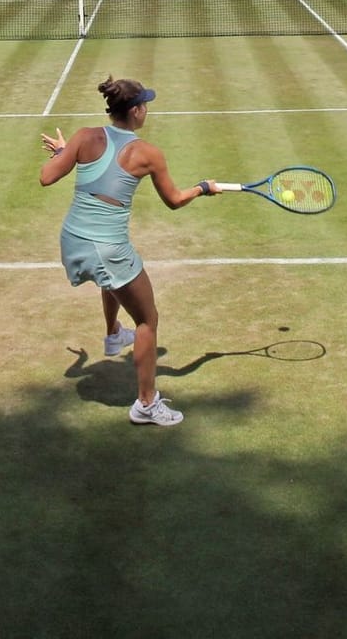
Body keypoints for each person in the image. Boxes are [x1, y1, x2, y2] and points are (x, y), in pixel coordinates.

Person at [39, 77, 216, 428]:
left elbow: (46, 177)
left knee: (113, 281)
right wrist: (202, 188)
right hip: (107, 248)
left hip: (72, 240)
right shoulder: (148, 154)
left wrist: (64, 152)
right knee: (148, 320)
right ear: (135, 111)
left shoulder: (84, 136)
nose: (147, 110)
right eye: (145, 105)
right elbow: (175, 201)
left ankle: (113, 335)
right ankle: (147, 405)